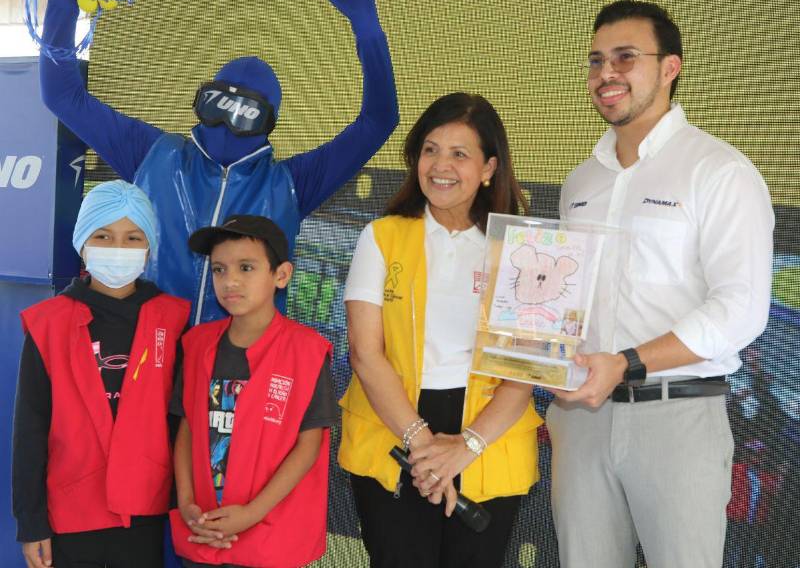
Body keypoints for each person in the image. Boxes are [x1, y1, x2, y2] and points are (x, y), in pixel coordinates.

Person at [548, 0, 774, 567]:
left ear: (670, 67)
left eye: (626, 57)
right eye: (596, 61)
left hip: (679, 419)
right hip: (581, 422)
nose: (607, 74)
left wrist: (626, 362)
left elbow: (742, 308)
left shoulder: (718, 171)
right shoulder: (579, 182)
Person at [40, 0, 399, 324]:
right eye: (219, 106)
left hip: (242, 367)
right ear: (204, 101)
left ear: (266, 120)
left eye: (245, 112)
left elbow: (377, 123)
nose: (228, 123)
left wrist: (368, 33)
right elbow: (62, 96)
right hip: (152, 353)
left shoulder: (290, 184)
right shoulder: (156, 155)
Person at [339, 92, 543, 568]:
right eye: (430, 149)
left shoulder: (523, 248)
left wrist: (466, 446)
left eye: (459, 153)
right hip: (397, 426)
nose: (440, 165)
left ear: (489, 167)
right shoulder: (382, 236)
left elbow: (528, 367)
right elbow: (365, 353)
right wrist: (423, 445)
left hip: (490, 433)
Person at [12, 180, 190, 568]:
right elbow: (30, 428)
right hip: (69, 512)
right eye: (104, 235)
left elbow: (182, 425)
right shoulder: (49, 324)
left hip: (146, 510)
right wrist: (31, 521)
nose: (118, 249)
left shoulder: (173, 320)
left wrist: (185, 504)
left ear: (149, 246)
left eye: (133, 237)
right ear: (82, 241)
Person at [169, 215, 336, 567]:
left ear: (281, 275)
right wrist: (186, 502)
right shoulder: (196, 344)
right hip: (204, 530)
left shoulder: (306, 350)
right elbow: (187, 427)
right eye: (218, 269)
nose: (230, 281)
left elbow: (310, 445)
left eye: (246, 268)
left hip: (271, 537)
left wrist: (252, 512)